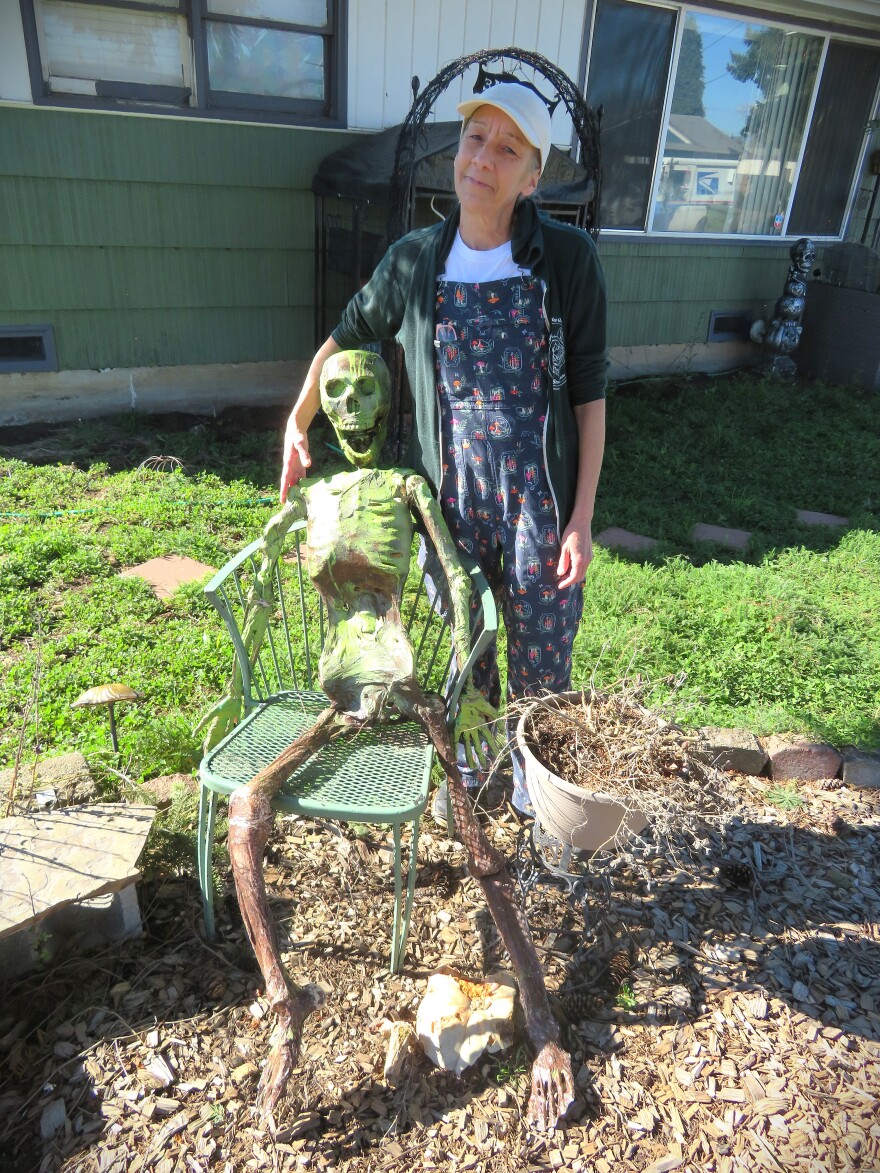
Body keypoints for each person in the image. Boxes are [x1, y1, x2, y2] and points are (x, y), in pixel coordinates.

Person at [280, 79, 607, 815]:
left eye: (507, 147)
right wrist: (297, 422)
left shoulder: (567, 260)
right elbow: (343, 337)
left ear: (532, 176)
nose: (483, 158)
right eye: (474, 139)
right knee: (473, 645)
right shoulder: (413, 261)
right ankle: (480, 773)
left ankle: (539, 791)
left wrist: (582, 516)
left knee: (543, 654)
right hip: (452, 496)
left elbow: (589, 393)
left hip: (539, 502)